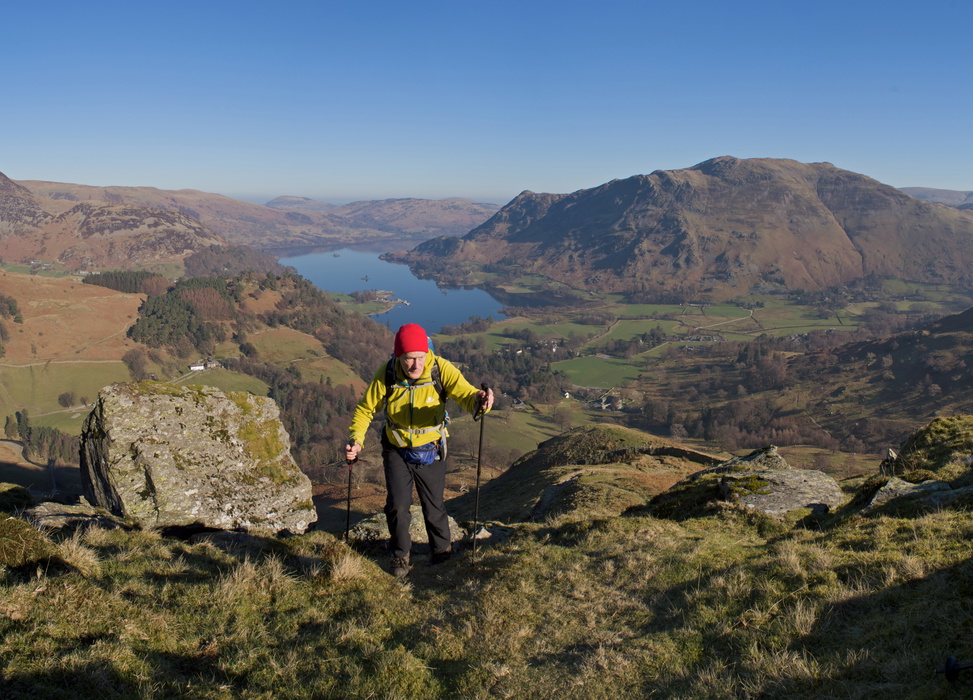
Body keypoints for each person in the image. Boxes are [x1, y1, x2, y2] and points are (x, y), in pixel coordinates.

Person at [345, 323, 494, 577]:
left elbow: (467, 395)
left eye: (420, 357)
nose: (416, 365)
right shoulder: (387, 373)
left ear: (427, 353)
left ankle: (442, 553)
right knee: (397, 506)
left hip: (431, 449)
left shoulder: (440, 369)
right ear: (398, 356)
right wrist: (356, 441)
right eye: (409, 359)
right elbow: (365, 409)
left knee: (433, 505)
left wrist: (482, 401)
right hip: (396, 448)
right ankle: (400, 556)